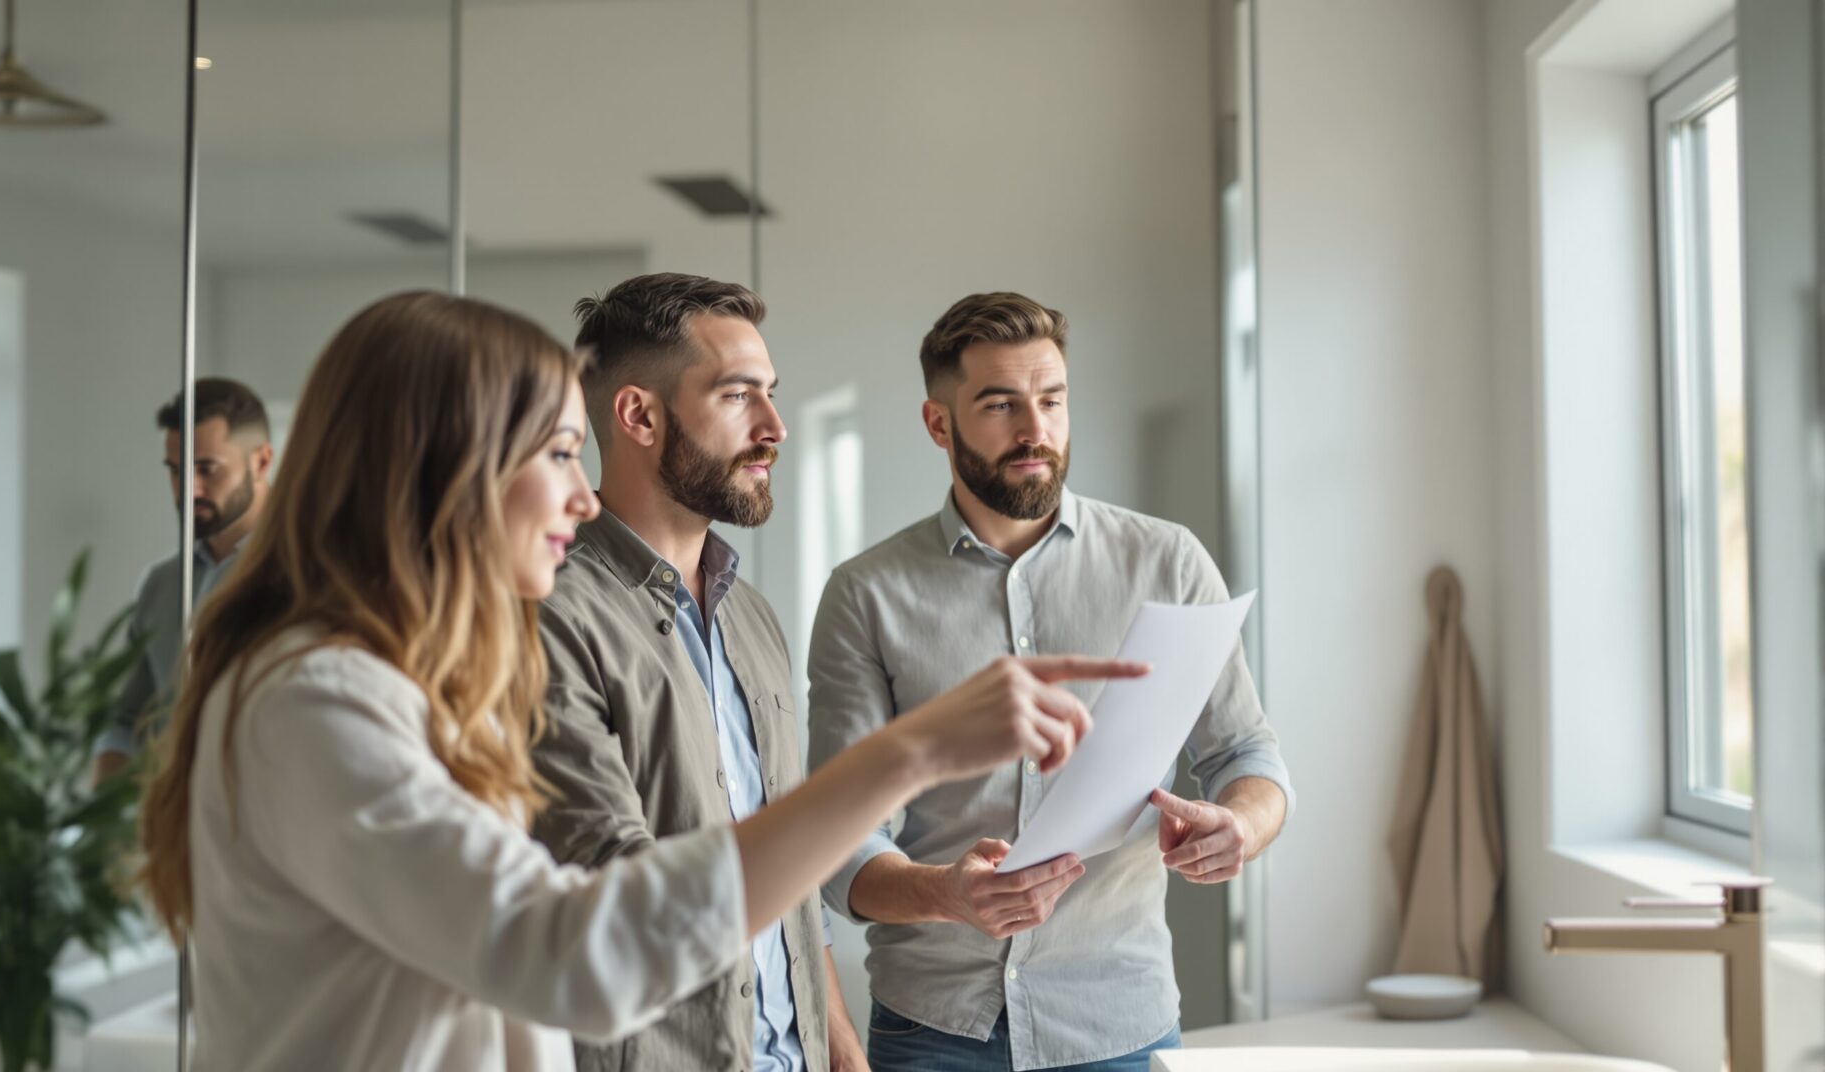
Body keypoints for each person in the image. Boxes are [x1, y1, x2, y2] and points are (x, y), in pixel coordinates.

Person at [137, 290, 1140, 1071]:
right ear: (447, 467)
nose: (582, 490)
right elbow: (577, 948)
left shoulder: (395, 685)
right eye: (562, 452)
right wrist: (907, 752)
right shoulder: (315, 702)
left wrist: (828, 1016)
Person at [808, 292, 1294, 1072]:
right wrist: (948, 895)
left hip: (1117, 1025)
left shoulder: (1167, 562)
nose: (1036, 431)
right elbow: (836, 851)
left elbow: (1248, 755)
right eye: (1001, 405)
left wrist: (1242, 824)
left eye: (1052, 400)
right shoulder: (865, 595)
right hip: (933, 1035)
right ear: (940, 424)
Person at [532, 273, 862, 1072]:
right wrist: (906, 760)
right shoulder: (552, 618)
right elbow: (617, 883)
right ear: (640, 415)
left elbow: (789, 871)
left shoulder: (754, 619)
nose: (775, 426)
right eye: (738, 396)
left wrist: (842, 1047)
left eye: (771, 395)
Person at [93, 378, 272, 785]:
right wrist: (100, 833)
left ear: (261, 462)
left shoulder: (309, 570)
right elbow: (125, 720)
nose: (187, 489)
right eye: (175, 470)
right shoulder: (161, 584)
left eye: (206, 468)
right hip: (173, 830)